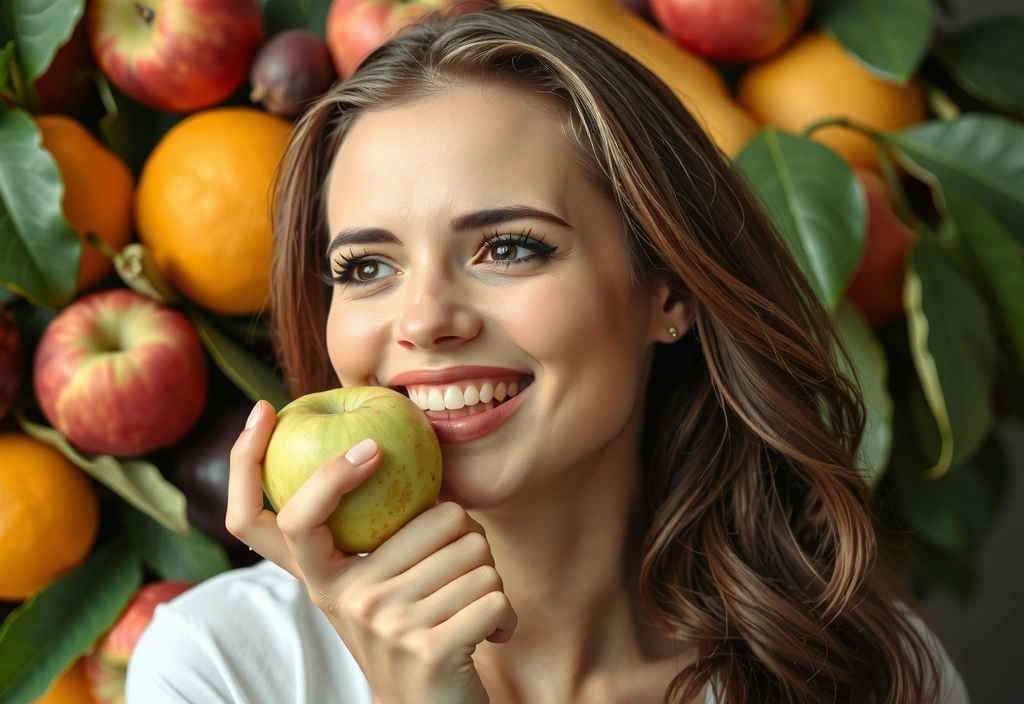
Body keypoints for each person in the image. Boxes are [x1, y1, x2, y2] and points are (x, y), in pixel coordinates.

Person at [126, 6, 969, 703]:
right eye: (367, 267)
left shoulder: (874, 674)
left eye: (510, 249)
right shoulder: (221, 668)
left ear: (667, 290)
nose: (424, 321)